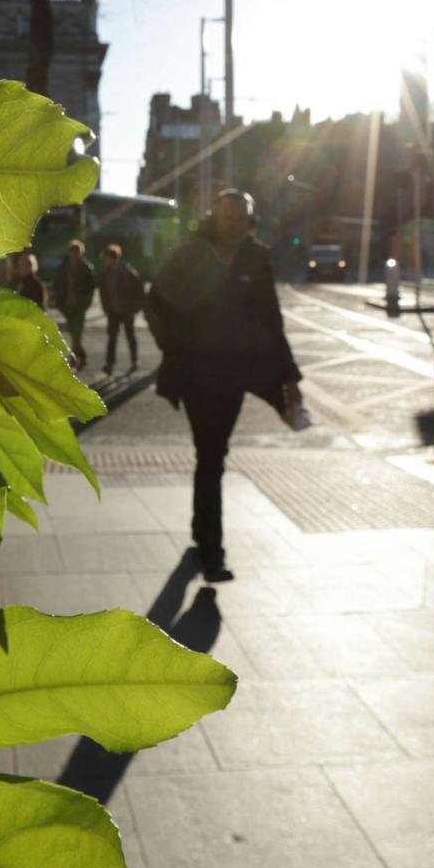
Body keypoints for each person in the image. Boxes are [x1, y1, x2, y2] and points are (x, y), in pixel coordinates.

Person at [147, 190, 303, 583]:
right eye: (229, 216)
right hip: (195, 373)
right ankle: (211, 554)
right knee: (210, 453)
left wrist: (290, 377)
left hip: (234, 374)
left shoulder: (256, 259)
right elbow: (155, 301)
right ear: (214, 217)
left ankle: (203, 533)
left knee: (213, 455)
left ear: (250, 221)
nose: (235, 224)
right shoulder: (190, 255)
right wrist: (172, 344)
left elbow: (272, 319)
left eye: (242, 217)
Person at [98, 242, 145, 376]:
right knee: (112, 337)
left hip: (127, 310)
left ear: (113, 258)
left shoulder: (127, 272)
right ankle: (109, 364)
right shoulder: (106, 273)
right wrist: (105, 306)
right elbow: (103, 291)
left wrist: (135, 307)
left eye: (106, 258)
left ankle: (134, 360)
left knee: (130, 335)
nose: (105, 260)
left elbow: (139, 289)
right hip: (113, 310)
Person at [51, 238, 97, 369]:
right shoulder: (64, 267)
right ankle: (81, 355)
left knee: (77, 332)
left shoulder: (86, 268)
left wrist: (85, 302)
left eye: (77, 252)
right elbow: (58, 283)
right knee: (73, 331)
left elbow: (90, 288)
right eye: (72, 252)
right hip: (66, 304)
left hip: (79, 304)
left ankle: (75, 358)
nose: (74, 255)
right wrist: (57, 299)